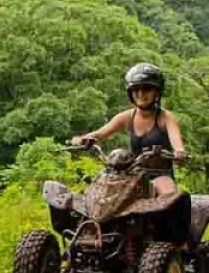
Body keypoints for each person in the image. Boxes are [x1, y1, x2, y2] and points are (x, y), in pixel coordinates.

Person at [70, 63, 187, 194]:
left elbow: (177, 141)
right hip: (133, 175)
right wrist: (82, 139)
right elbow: (100, 134)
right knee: (98, 193)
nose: (141, 94)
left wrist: (179, 152)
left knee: (169, 194)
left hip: (160, 175)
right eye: (136, 89)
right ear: (130, 93)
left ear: (157, 92)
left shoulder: (165, 117)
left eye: (147, 89)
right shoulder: (127, 117)